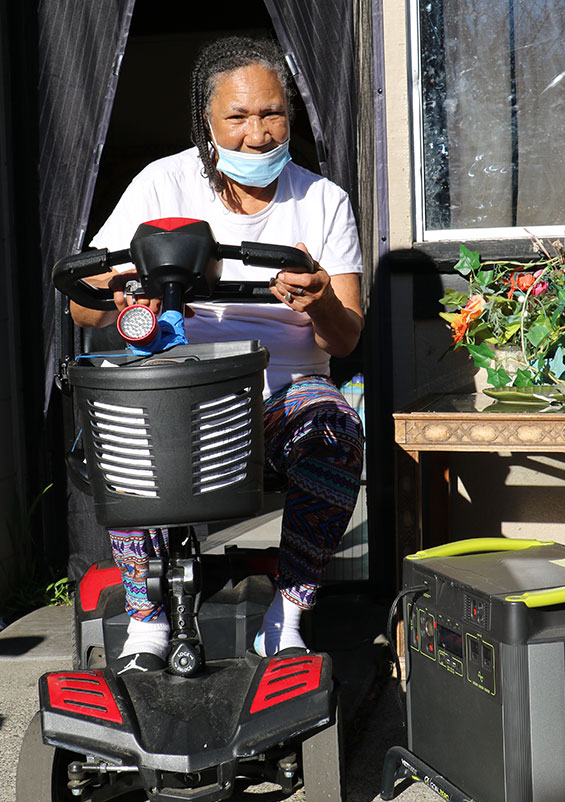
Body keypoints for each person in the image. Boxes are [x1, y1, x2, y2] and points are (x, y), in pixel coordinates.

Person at [70, 35, 365, 672]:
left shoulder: (323, 201)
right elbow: (83, 308)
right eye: (238, 117)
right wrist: (122, 286)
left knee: (336, 426)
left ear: (290, 113)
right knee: (121, 411)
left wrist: (316, 300)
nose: (257, 134)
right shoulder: (161, 184)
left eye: (272, 114)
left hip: (281, 402)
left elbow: (344, 339)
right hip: (180, 393)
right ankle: (146, 625)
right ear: (207, 121)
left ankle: (286, 616)